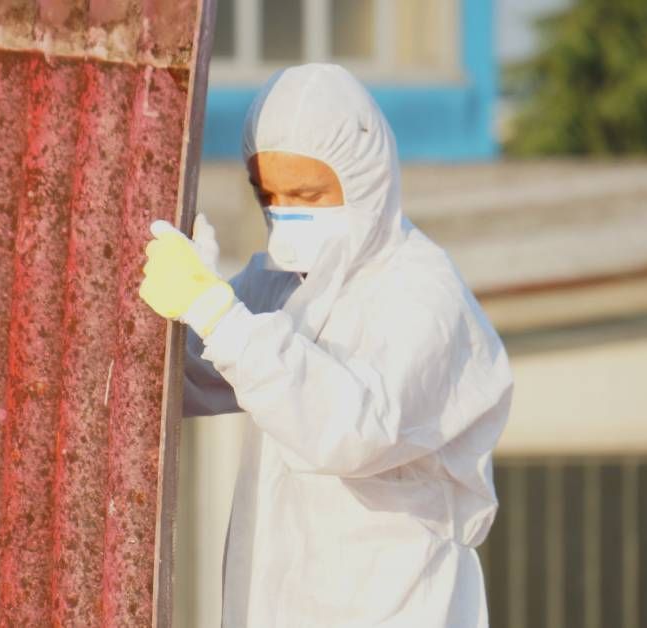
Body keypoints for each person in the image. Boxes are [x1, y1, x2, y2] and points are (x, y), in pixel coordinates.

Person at [138, 64, 513, 627]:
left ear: (365, 177)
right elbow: (195, 377)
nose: (285, 209)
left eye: (309, 192)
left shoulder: (421, 293)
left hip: (395, 607)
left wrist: (218, 314)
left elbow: (352, 430)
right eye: (269, 193)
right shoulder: (290, 282)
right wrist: (185, 306)